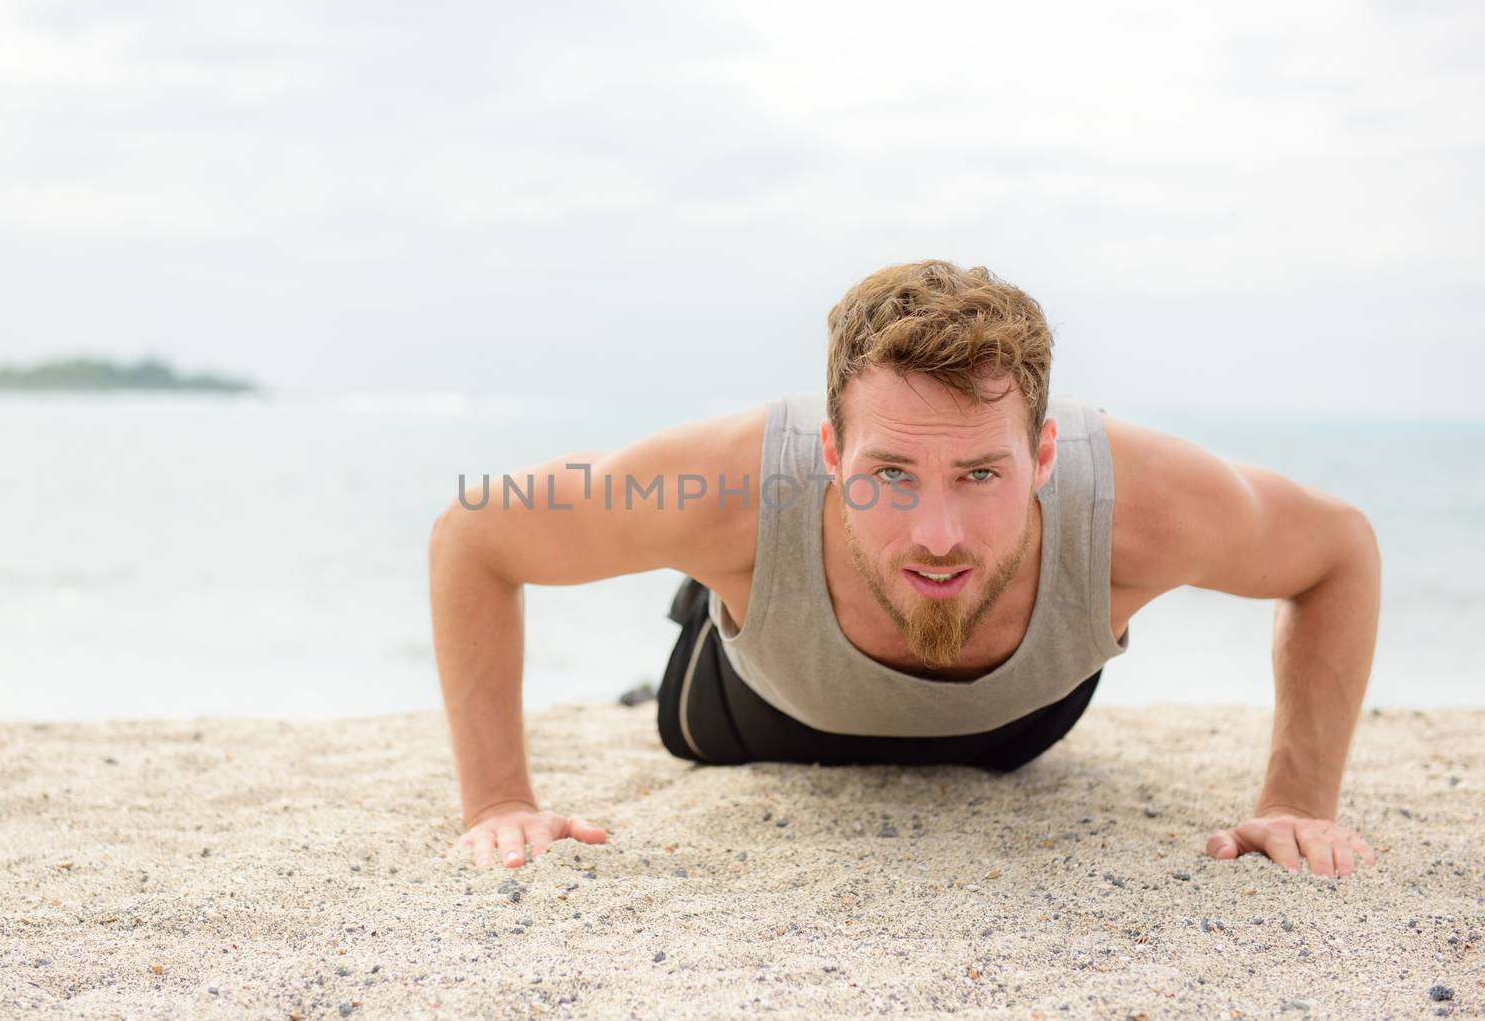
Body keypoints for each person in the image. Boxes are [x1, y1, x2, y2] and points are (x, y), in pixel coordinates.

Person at [429, 260, 1382, 879]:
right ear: (831, 452)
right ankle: (704, 608)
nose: (936, 531)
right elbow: (475, 536)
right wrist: (501, 803)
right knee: (710, 622)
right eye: (890, 471)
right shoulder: (724, 483)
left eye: (980, 473)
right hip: (752, 715)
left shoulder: (1145, 503)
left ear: (1044, 457)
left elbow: (1338, 551)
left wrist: (1297, 804)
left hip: (1010, 727)